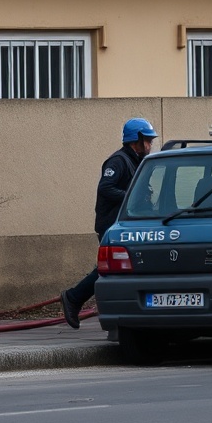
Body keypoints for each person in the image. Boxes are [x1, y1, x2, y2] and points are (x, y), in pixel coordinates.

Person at [60, 117, 158, 328]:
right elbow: (106, 187)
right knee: (109, 267)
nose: (150, 145)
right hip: (110, 225)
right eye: (148, 140)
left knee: (121, 267)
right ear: (136, 140)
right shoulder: (119, 161)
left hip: (125, 226)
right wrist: (131, 197)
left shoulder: (136, 161)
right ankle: (73, 297)